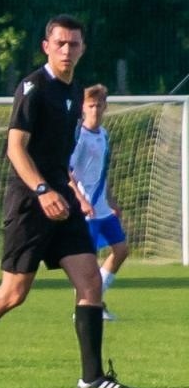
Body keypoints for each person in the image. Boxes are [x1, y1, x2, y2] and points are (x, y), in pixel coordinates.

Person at [0, 16, 130, 388]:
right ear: (46, 47)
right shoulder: (33, 88)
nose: (67, 50)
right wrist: (42, 191)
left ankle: (92, 377)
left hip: (62, 201)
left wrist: (67, 191)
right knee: (13, 293)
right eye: (60, 44)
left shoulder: (74, 93)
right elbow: (15, 148)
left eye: (74, 44)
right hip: (30, 202)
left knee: (90, 282)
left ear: (83, 49)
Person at [70, 84, 127, 320]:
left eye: (99, 105)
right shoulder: (79, 137)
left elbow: (103, 171)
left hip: (103, 208)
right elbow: (69, 173)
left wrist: (112, 199)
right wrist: (81, 200)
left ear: (105, 107)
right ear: (83, 108)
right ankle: (83, 311)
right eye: (91, 105)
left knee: (122, 250)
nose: (95, 110)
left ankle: (95, 301)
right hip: (87, 211)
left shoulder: (104, 135)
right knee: (87, 264)